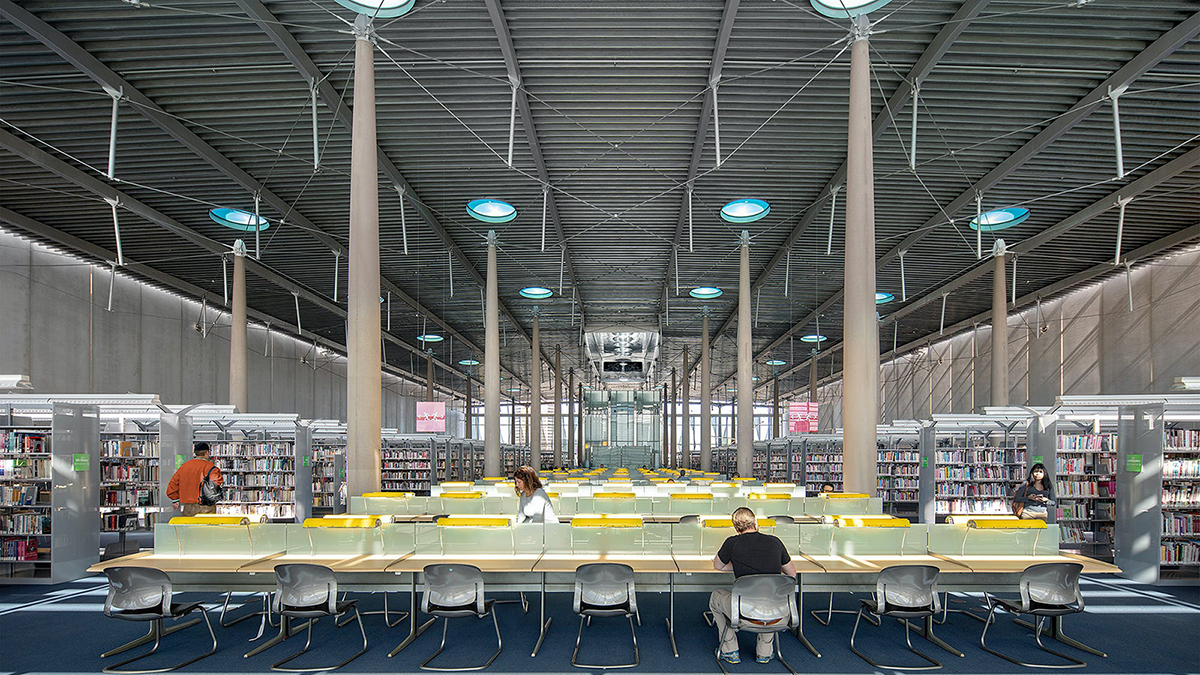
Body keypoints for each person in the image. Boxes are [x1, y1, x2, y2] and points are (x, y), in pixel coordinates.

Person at [710, 507, 797, 664]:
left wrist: (737, 563)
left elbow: (718, 566)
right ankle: (764, 652)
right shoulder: (775, 541)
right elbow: (791, 574)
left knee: (716, 597)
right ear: (755, 523)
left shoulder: (732, 542)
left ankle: (730, 650)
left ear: (736, 527)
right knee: (770, 594)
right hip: (778, 614)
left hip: (744, 612)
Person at [167, 442, 223, 516]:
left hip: (189, 507)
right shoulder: (210, 467)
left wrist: (175, 499)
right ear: (207, 453)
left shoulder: (185, 466)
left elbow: (173, 483)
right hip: (206, 506)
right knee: (207, 527)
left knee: (188, 527)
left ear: (195, 453)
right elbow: (217, 481)